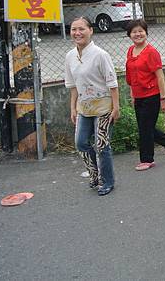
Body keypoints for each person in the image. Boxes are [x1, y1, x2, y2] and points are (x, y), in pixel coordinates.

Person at [64, 17, 119, 196]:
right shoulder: (70, 56)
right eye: (74, 29)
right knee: (80, 143)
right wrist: (72, 108)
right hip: (83, 108)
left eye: (81, 29)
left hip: (103, 107)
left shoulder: (100, 55)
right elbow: (73, 86)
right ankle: (94, 175)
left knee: (101, 144)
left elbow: (113, 84)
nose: (77, 33)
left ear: (91, 31)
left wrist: (116, 108)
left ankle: (107, 181)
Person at [125, 19, 165, 171]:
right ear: (129, 35)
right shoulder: (130, 51)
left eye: (141, 31)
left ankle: (147, 159)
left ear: (146, 33)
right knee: (145, 126)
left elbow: (159, 76)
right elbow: (130, 74)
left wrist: (163, 98)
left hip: (152, 95)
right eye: (134, 31)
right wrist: (132, 94)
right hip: (138, 95)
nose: (138, 34)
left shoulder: (151, 52)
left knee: (145, 128)